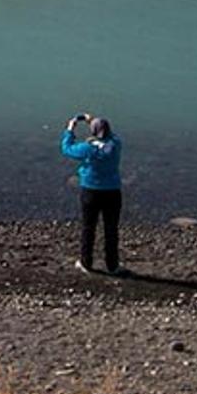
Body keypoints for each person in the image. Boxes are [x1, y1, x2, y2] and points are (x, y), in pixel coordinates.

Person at [61, 113, 125, 275]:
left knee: (88, 228)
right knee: (111, 229)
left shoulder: (87, 148)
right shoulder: (115, 144)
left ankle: (86, 262)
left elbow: (67, 148)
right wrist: (94, 122)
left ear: (93, 132)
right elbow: (112, 137)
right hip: (112, 192)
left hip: (91, 191)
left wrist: (70, 129)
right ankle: (112, 265)